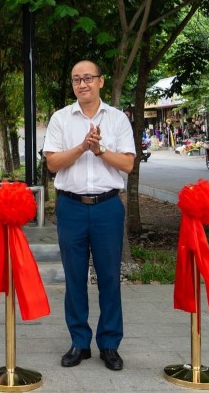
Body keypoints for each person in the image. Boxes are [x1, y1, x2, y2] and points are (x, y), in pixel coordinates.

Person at [43, 60, 135, 371]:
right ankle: (79, 342)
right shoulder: (61, 119)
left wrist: (99, 150)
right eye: (76, 80)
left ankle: (109, 344)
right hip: (71, 206)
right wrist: (83, 146)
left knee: (110, 277)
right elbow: (53, 164)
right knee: (74, 277)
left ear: (101, 82)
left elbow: (126, 164)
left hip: (108, 207)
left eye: (88, 78)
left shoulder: (118, 118)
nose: (82, 84)